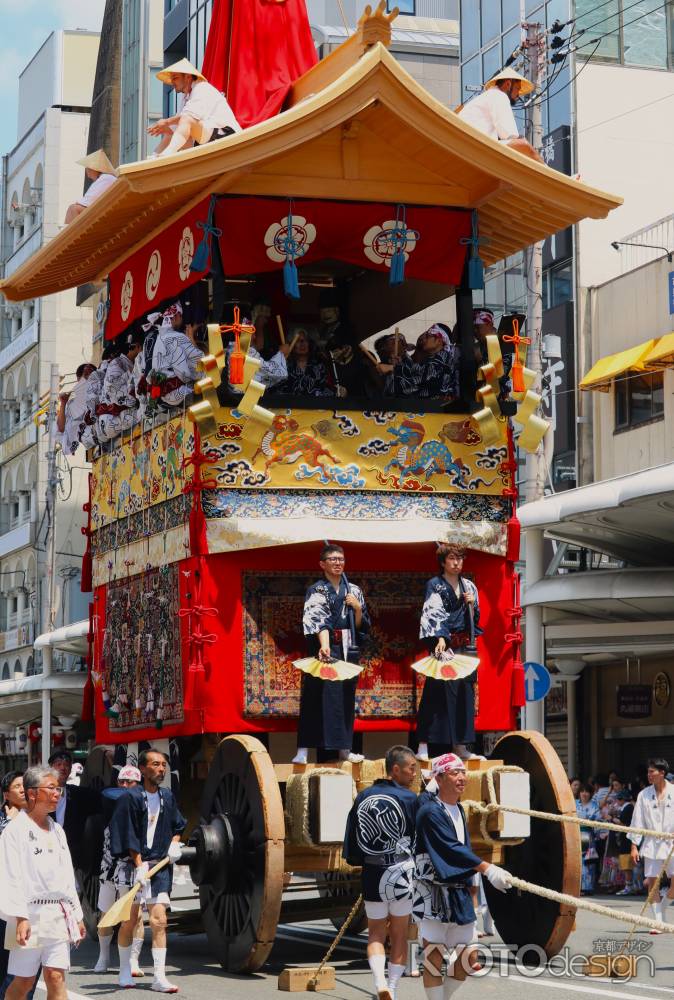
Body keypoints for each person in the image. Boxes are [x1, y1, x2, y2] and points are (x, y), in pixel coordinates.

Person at [414, 754, 512, 1000]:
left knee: (470, 957)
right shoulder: (429, 811)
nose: (461, 777)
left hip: (457, 889)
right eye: (454, 772)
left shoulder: (458, 809)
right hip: (432, 889)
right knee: (434, 957)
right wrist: (487, 868)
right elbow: (450, 848)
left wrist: (473, 882)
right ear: (438, 778)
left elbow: (460, 848)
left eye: (463, 772)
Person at [0, 766, 85, 1000]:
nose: (57, 793)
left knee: (56, 977)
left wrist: (77, 914)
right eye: (51, 788)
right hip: (29, 914)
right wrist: (20, 917)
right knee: (24, 982)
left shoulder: (57, 829)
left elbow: (66, 875)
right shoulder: (15, 830)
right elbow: (10, 875)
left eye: (59, 789)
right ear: (32, 793)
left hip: (58, 913)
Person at [343, 746, 419, 1000]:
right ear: (395, 769)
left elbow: (354, 835)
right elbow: (419, 837)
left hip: (373, 871)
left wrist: (359, 860)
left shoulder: (364, 796)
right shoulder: (410, 799)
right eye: (411, 768)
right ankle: (393, 988)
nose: (415, 774)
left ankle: (379, 983)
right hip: (402, 872)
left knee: (375, 932)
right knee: (399, 933)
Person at [109, 749, 185, 991]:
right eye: (155, 764)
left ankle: (159, 977)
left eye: (163, 765)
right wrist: (139, 864)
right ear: (142, 769)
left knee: (159, 921)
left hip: (159, 866)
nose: (161, 769)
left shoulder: (167, 797)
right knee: (129, 921)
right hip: (133, 866)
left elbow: (178, 825)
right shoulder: (129, 798)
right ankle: (124, 970)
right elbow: (127, 833)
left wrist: (174, 843)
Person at [293, 543, 370, 766]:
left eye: (341, 559)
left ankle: (345, 749)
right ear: (322, 564)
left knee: (345, 698)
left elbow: (361, 626)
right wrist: (324, 645)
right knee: (314, 697)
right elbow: (319, 620)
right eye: (333, 559)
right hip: (324, 647)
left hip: (347, 648)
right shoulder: (317, 590)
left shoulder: (353, 590)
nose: (338, 563)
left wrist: (357, 608)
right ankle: (303, 750)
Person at [416, 545, 482, 762]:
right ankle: (423, 745)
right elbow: (432, 613)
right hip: (442, 645)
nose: (456, 563)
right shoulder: (434, 584)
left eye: (460, 558)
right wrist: (441, 637)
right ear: (443, 562)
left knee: (464, 694)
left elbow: (476, 620)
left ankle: (460, 745)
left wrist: (472, 605)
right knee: (435, 694)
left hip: (464, 646)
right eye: (452, 558)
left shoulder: (469, 586)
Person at [95, 766, 145, 977]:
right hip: (109, 865)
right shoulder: (111, 799)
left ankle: (133, 960)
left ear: (138, 784)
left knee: (136, 916)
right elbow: (110, 795)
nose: (125, 785)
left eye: (130, 782)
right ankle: (104, 956)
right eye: (122, 781)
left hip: (133, 867)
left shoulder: (142, 803)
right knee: (106, 913)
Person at [148, 60, 240, 158]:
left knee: (186, 120)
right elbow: (176, 128)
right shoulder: (186, 97)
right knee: (171, 132)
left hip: (227, 135)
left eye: (175, 78)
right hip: (209, 136)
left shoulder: (202, 88)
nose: (172, 82)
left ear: (188, 77)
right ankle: (155, 157)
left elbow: (187, 117)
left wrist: (166, 122)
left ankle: (168, 153)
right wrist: (167, 127)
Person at [457, 68, 543, 163]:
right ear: (508, 84)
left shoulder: (487, 96)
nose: (518, 95)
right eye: (517, 88)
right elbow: (511, 136)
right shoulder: (499, 96)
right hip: (476, 145)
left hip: (465, 144)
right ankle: (545, 170)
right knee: (523, 145)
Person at [629, 758, 674, 931]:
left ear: (662, 773)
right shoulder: (643, 795)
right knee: (653, 883)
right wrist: (634, 846)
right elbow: (637, 821)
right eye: (648, 772)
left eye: (652, 772)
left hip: (671, 842)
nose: (648, 775)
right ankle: (658, 921)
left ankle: (661, 909)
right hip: (652, 843)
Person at [0, 773, 27, 993]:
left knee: (23, 967)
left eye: (25, 785)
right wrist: (10, 823)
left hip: (29, 902)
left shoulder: (39, 819)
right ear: (6, 795)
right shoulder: (4, 820)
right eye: (17, 786)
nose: (23, 789)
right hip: (4, 901)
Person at [47, 750, 100, 863]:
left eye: (66, 765)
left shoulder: (79, 794)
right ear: (51, 768)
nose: (63, 768)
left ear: (71, 769)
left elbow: (100, 800)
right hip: (46, 852)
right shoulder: (41, 793)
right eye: (58, 764)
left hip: (71, 856)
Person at [149, 303, 204, 407]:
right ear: (175, 316)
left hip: (165, 395)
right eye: (181, 316)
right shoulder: (176, 337)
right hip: (179, 392)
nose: (182, 319)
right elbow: (199, 362)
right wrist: (191, 338)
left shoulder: (160, 338)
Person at [384, 324, 459, 400]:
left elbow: (408, 385)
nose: (424, 338)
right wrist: (399, 364)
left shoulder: (441, 359)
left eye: (428, 336)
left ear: (439, 340)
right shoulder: (434, 359)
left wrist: (393, 369)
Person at [96, 336, 142, 443]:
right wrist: (135, 395)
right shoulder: (116, 363)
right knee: (147, 411)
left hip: (115, 418)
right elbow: (113, 389)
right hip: (112, 418)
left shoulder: (127, 363)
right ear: (137, 347)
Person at [64, 150, 117, 223]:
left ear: (95, 169)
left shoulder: (106, 178)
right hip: (104, 209)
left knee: (73, 209)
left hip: (106, 211)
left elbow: (90, 199)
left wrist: (78, 203)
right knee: (73, 208)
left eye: (88, 168)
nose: (87, 171)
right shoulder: (104, 178)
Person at [276, 329, 332, 396]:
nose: (302, 344)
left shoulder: (319, 366)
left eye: (305, 340)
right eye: (297, 340)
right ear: (291, 345)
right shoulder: (284, 365)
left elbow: (326, 389)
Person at [55, 364, 96, 456]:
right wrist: (63, 403)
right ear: (78, 379)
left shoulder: (102, 386)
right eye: (86, 375)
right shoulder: (72, 403)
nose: (89, 379)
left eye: (91, 374)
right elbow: (61, 427)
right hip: (92, 438)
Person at [576, 783, 600, 894]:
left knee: (588, 861)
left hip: (588, 835)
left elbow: (598, 819)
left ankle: (587, 887)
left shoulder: (594, 805)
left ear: (590, 794)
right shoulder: (574, 803)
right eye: (582, 791)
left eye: (587, 791)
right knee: (577, 860)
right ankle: (577, 886)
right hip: (575, 834)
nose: (584, 794)